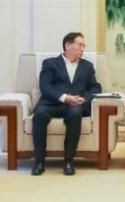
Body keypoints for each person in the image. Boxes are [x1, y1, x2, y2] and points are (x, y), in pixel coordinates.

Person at [31, 32, 101, 176]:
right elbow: (45, 86)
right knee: (39, 114)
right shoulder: (50, 63)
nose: (83, 48)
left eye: (84, 46)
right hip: (51, 102)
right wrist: (64, 97)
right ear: (67, 45)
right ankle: (39, 162)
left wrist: (83, 99)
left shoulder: (87, 66)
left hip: (74, 105)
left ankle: (69, 161)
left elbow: (95, 88)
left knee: (75, 114)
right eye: (80, 45)